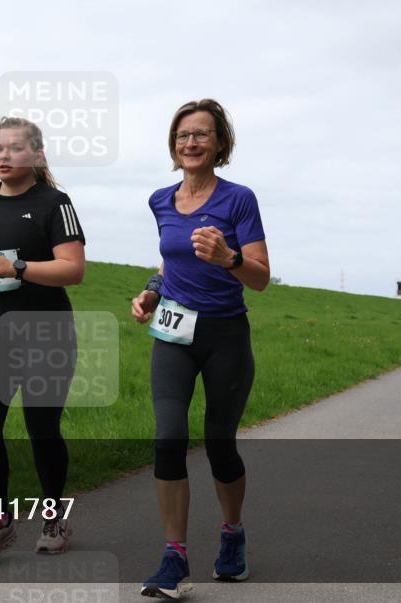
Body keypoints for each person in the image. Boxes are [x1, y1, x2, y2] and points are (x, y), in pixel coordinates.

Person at [130, 99, 269, 598]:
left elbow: (260, 278)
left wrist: (228, 256)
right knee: (168, 437)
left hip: (225, 335)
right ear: (173, 144)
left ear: (219, 144)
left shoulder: (239, 199)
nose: (191, 142)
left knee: (219, 445)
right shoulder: (160, 200)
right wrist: (150, 290)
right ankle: (175, 557)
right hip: (174, 332)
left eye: (202, 135)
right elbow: (169, 263)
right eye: (183, 135)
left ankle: (232, 534)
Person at [0, 116, 86, 567]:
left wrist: (21, 268)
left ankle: (53, 517)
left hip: (45, 330)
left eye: (13, 149)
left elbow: (74, 269)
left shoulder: (55, 203)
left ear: (37, 155)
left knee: (42, 430)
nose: (3, 157)